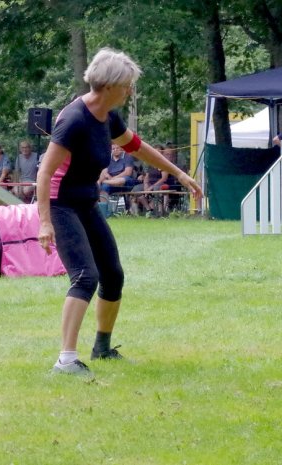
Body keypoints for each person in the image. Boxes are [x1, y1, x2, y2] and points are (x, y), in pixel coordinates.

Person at [37, 47, 202, 377]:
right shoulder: (74, 120)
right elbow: (44, 172)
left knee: (113, 275)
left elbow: (137, 147)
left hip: (86, 203)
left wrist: (180, 173)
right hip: (61, 204)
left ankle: (102, 347)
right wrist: (44, 222)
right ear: (111, 84)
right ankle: (65, 361)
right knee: (86, 277)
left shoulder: (108, 116)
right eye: (128, 84)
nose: (130, 90)